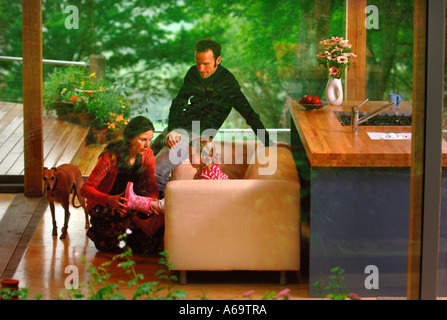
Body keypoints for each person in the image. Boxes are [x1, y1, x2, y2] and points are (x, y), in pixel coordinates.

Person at [152, 38, 274, 193]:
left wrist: (269, 144)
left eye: (206, 64)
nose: (201, 69)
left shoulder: (228, 85)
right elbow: (178, 103)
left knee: (156, 171)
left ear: (218, 60)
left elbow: (250, 115)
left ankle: (158, 213)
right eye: (198, 63)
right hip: (180, 127)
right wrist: (172, 130)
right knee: (145, 160)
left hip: (195, 135)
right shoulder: (193, 73)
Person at [80, 116, 163, 253]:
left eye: (150, 139)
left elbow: (151, 187)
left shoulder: (147, 154)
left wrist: (151, 202)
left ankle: (138, 226)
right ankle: (135, 227)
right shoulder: (111, 157)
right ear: (130, 138)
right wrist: (109, 199)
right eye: (142, 139)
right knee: (112, 245)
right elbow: (85, 189)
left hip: (129, 202)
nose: (147, 145)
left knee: (160, 200)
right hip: (105, 205)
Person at [150, 135, 228, 213]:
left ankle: (154, 205)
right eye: (189, 155)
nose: (189, 158)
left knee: (170, 204)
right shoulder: (212, 168)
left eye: (192, 155)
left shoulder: (206, 176)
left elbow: (198, 199)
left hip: (208, 207)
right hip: (204, 202)